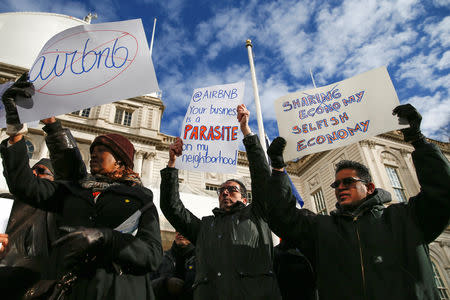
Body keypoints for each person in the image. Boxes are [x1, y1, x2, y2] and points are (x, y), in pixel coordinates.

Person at [0, 73, 163, 300]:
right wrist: (16, 130)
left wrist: (106, 238)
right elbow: (23, 185)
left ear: (121, 161)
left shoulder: (141, 199)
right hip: (72, 290)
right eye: (92, 153)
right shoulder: (72, 191)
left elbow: (153, 255)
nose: (93, 156)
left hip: (121, 291)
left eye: (101, 152)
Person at [265, 104, 450, 300]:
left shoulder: (406, 218)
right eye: (336, 184)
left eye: (348, 182)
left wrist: (418, 140)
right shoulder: (322, 229)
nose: (340, 187)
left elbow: (442, 193)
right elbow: (281, 217)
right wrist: (278, 170)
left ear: (369, 188)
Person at [160, 104, 281, 299]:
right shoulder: (204, 227)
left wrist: (246, 132)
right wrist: (172, 164)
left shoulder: (257, 214)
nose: (225, 192)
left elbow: (261, 176)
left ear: (244, 197)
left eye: (231, 189)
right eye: (221, 190)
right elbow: (171, 208)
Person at [0, 158, 56, 299]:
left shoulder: (54, 212)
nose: (33, 172)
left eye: (41, 171)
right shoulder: (4, 200)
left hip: (26, 286)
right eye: (33, 168)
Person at [151, 232, 196, 300]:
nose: (180, 233)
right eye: (177, 229)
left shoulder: (202, 260)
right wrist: (165, 284)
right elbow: (146, 286)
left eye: (184, 229)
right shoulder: (160, 258)